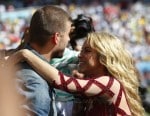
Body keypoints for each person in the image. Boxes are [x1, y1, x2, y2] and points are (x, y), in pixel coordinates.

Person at [8, 32, 145, 116]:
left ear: (104, 56)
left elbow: (62, 82)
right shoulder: (94, 85)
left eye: (87, 50)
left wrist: (25, 54)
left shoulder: (110, 83)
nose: (79, 55)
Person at [7, 5, 72, 116]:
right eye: (68, 34)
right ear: (56, 37)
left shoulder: (16, 62)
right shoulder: (36, 82)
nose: (69, 39)